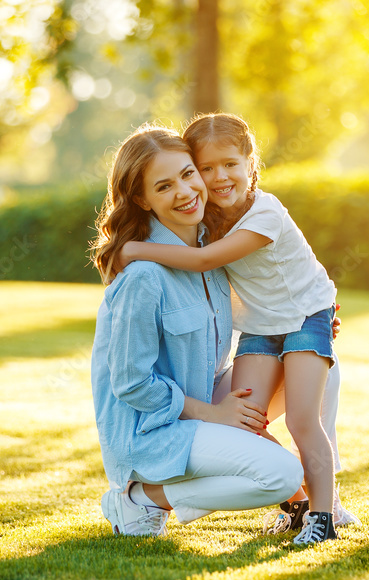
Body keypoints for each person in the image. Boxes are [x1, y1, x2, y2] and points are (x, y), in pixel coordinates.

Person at [118, 113, 351, 544]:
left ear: (250, 162)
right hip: (262, 329)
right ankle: (298, 503)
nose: (218, 177)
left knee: (303, 419)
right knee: (246, 420)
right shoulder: (207, 219)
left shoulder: (266, 212)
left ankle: (324, 517)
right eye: (205, 168)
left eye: (229, 164)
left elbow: (207, 261)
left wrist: (133, 249)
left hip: (303, 318)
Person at [89, 124, 305, 537]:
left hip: (203, 403)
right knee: (279, 475)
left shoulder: (212, 249)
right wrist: (216, 415)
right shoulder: (142, 277)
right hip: (152, 432)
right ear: (142, 200)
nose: (185, 192)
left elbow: (263, 299)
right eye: (164, 186)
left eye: (189, 174)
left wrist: (311, 315)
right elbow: (131, 383)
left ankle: (303, 497)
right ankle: (141, 499)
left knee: (311, 367)